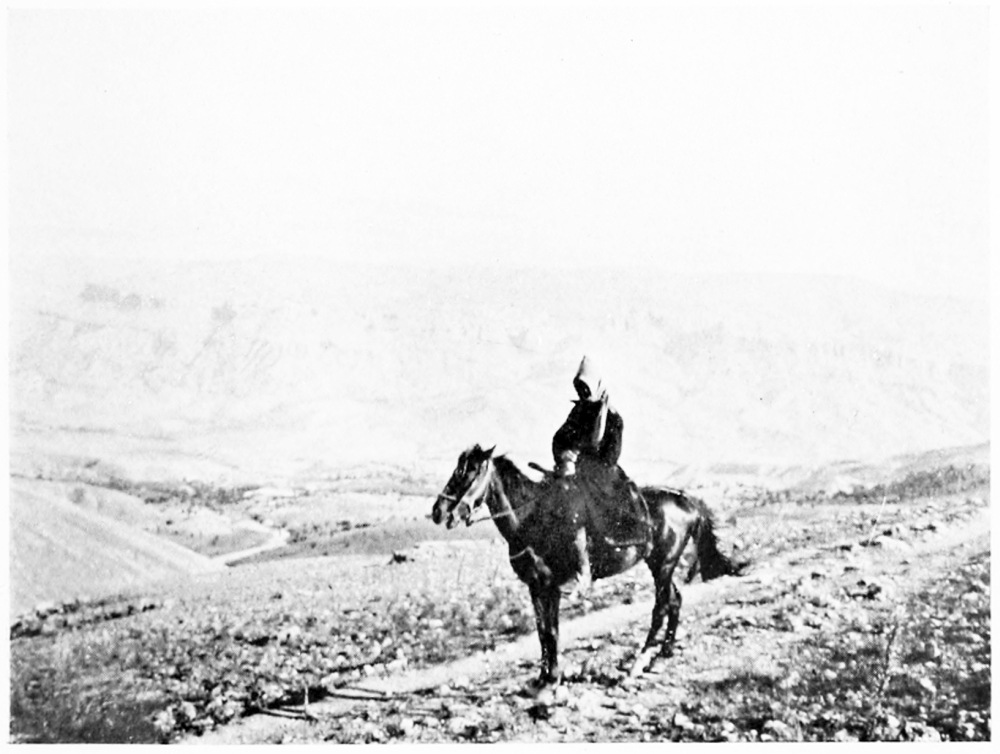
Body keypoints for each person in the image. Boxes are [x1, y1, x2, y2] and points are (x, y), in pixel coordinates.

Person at [551, 356, 647, 595]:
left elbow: (610, 456)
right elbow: (560, 438)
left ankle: (583, 570)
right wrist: (565, 455)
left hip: (603, 476)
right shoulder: (578, 412)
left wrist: (581, 456)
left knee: (576, 507)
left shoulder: (612, 418)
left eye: (586, 387)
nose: (583, 392)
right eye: (580, 388)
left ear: (597, 385)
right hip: (577, 470)